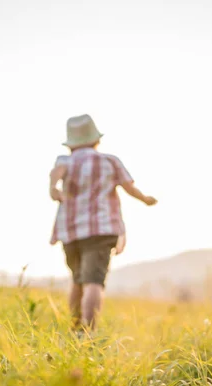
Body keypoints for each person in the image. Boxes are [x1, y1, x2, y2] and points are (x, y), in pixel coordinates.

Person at [49, 114, 157, 330]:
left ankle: (75, 330)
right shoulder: (109, 161)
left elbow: (55, 175)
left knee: (78, 281)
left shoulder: (65, 161)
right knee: (94, 282)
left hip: (70, 231)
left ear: (71, 143)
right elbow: (129, 188)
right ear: (96, 139)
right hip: (101, 230)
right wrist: (145, 199)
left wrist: (54, 189)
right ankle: (87, 334)